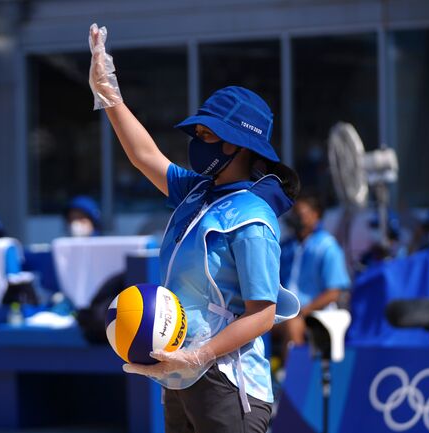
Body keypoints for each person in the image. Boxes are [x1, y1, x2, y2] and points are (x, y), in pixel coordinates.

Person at [88, 23, 300, 433]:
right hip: (180, 376)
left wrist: (199, 356)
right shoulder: (198, 191)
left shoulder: (253, 217)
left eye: (208, 134)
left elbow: (263, 313)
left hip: (228, 384)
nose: (197, 140)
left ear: (238, 144)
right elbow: (142, 154)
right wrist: (108, 93)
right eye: (198, 133)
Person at [275, 193, 350, 361]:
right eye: (293, 214)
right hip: (283, 313)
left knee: (293, 325)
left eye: (300, 214)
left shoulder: (327, 246)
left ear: (315, 214)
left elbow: (334, 291)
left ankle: (293, 378)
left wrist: (303, 311)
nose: (295, 218)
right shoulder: (287, 246)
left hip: (314, 312)